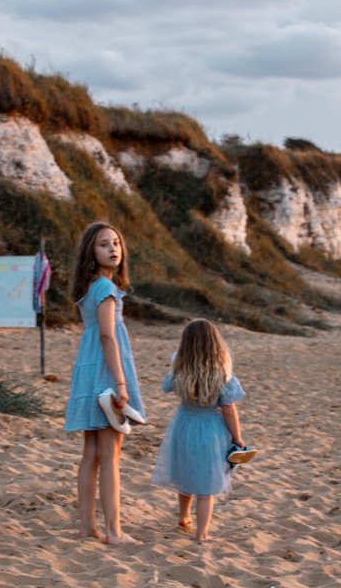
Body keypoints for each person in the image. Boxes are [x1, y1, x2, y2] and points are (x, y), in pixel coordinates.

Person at [64, 221, 146, 545]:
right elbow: (108, 336)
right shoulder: (105, 289)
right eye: (103, 244)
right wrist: (121, 384)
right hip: (105, 370)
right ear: (90, 251)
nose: (113, 249)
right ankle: (114, 531)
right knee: (110, 452)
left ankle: (88, 527)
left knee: (91, 452)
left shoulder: (91, 286)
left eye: (116, 243)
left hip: (88, 367)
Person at [151, 319, 256, 543]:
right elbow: (229, 409)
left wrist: (176, 366)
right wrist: (238, 438)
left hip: (184, 425)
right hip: (211, 429)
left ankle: (184, 516)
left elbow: (166, 387)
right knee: (206, 485)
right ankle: (202, 533)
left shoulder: (180, 366)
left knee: (186, 473)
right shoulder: (223, 374)